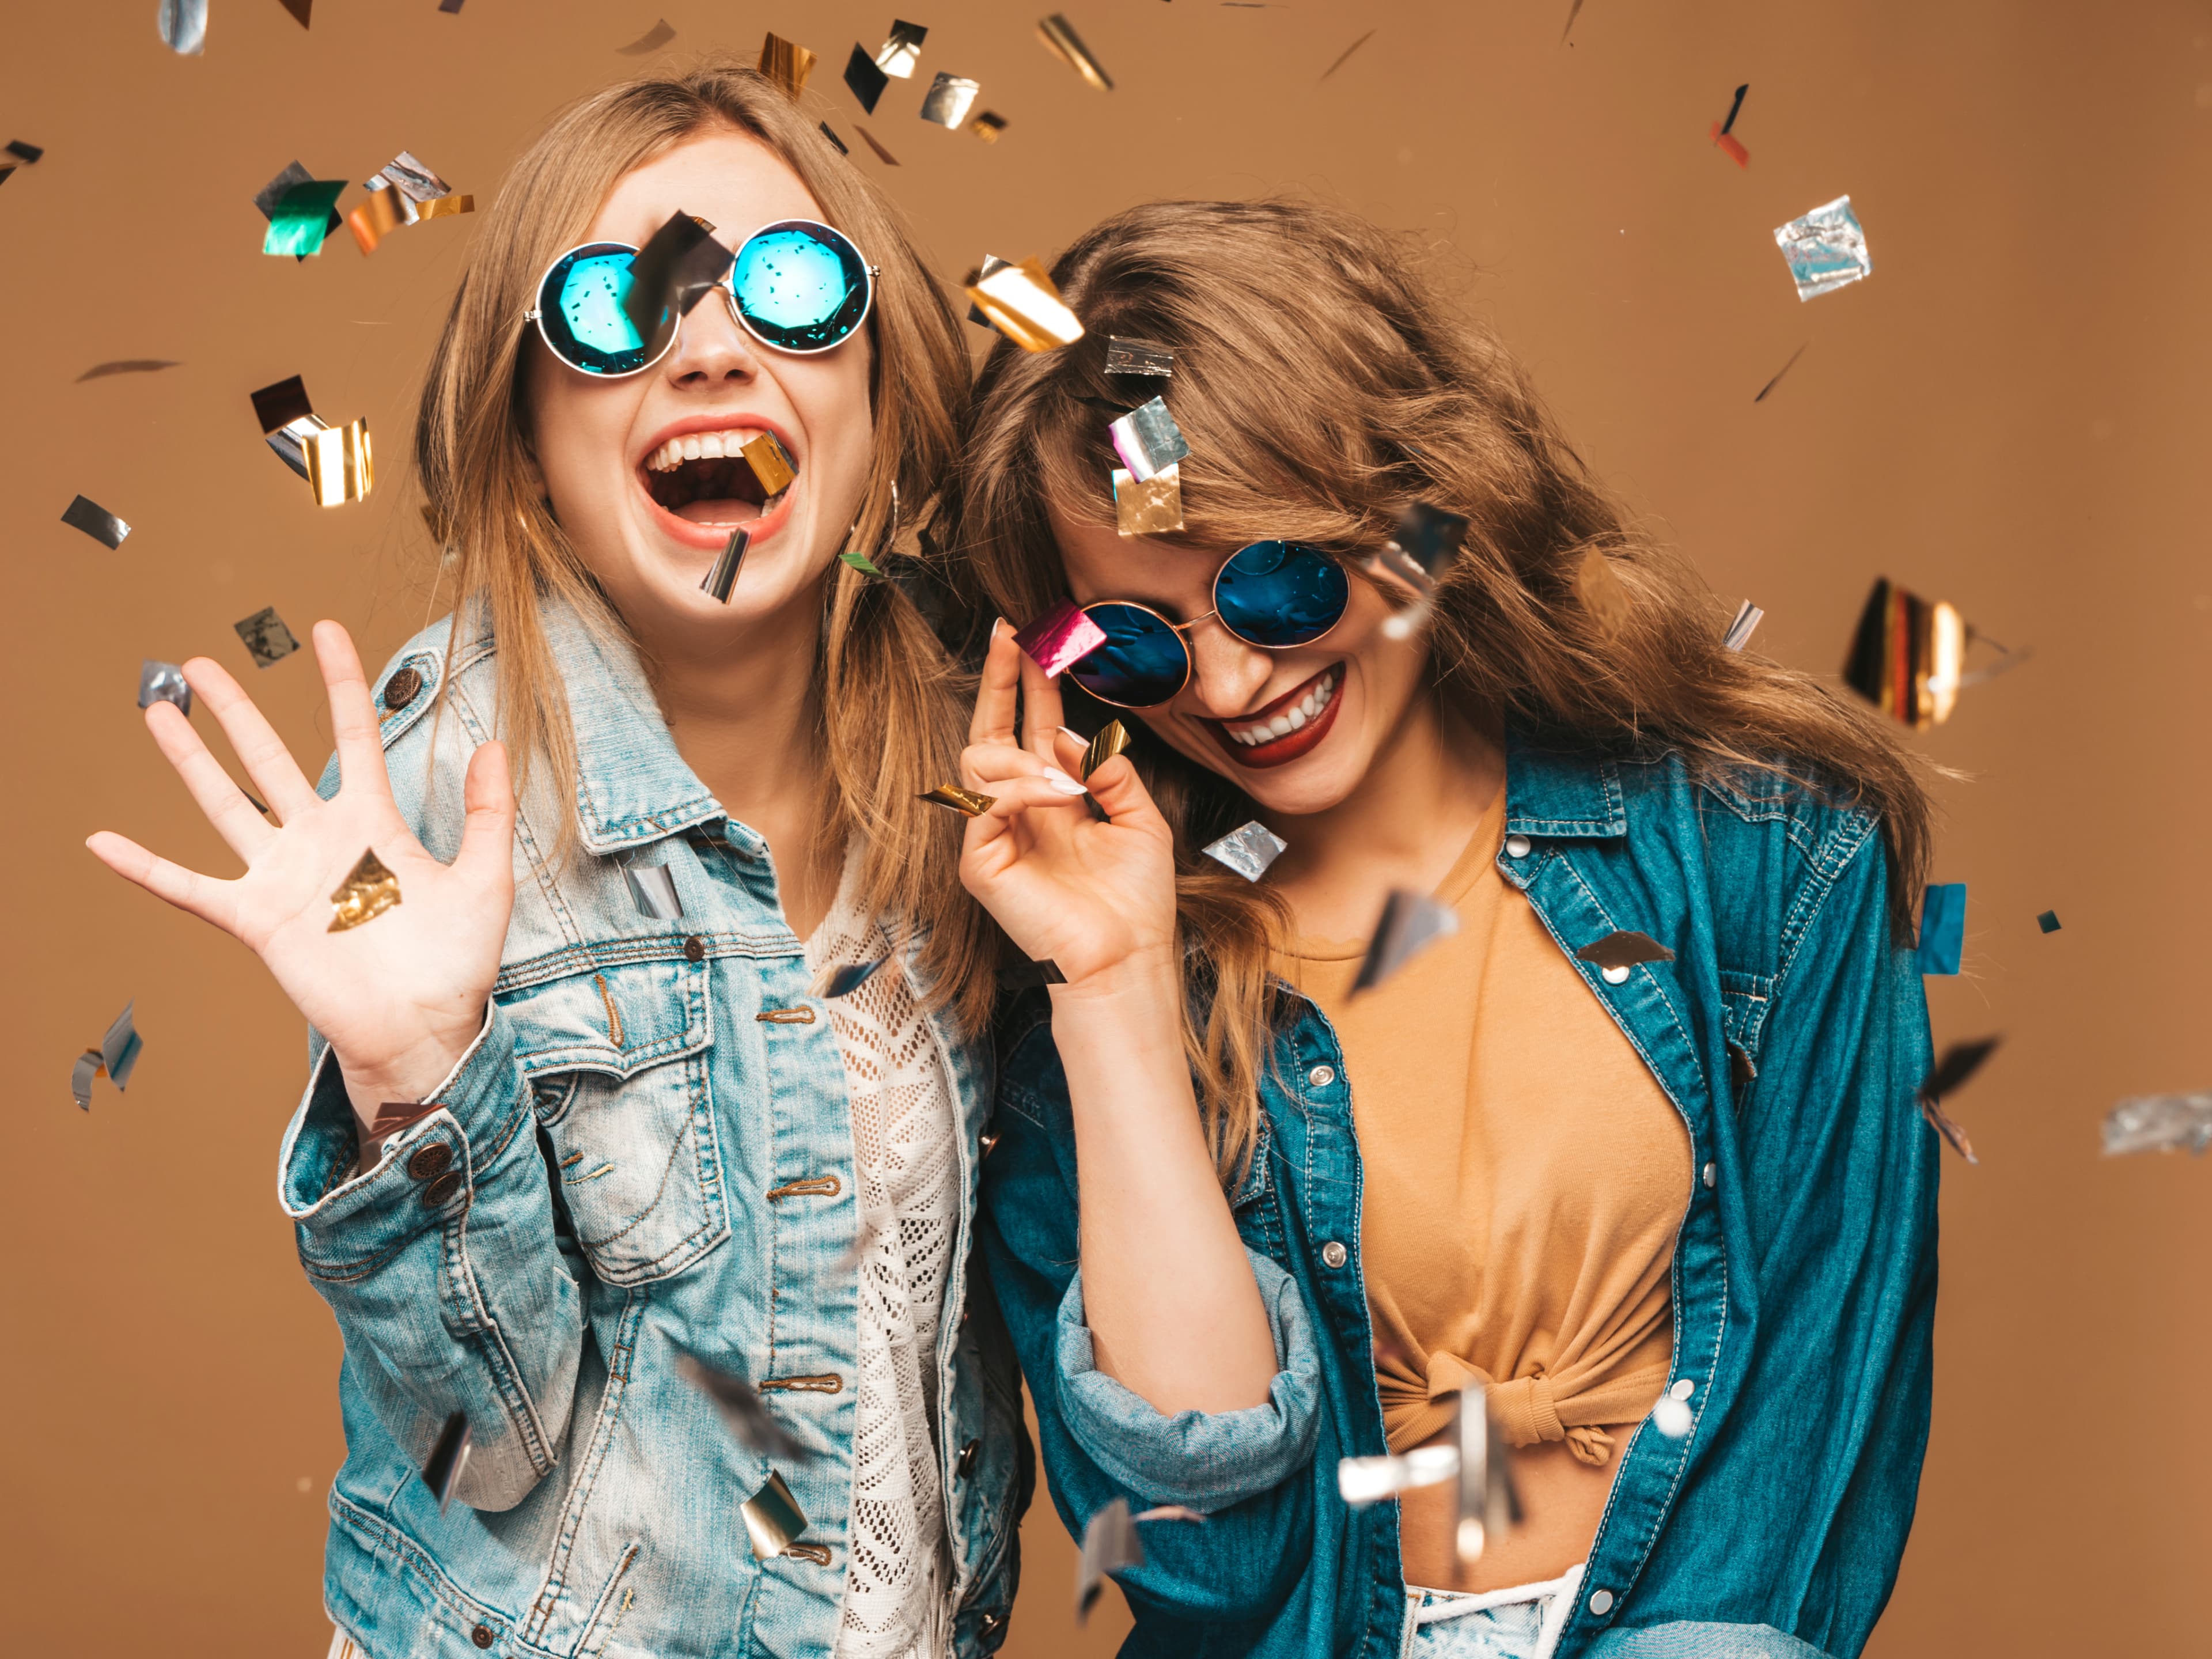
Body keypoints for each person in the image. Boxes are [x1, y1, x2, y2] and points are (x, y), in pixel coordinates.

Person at [86, 63, 1025, 1659]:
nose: (713, 343)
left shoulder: (978, 749)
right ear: (523, 436)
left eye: (793, 295)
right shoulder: (438, 790)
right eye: (615, 309)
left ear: (881, 402)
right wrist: (415, 1079)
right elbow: (492, 1445)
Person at [950, 198, 1940, 1659]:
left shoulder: (1768, 856)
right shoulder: (1084, 987)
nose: (1226, 686)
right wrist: (1113, 996)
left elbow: (1815, 1437)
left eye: (1271, 581)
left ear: (1408, 504)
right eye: (1138, 641)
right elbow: (1207, 1583)